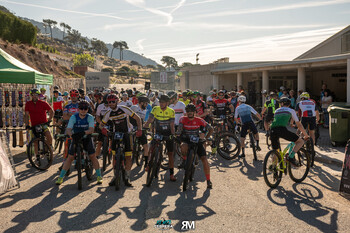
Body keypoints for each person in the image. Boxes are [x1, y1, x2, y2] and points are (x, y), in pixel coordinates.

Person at [55, 100, 102, 185]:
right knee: (70, 157)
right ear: (78, 109)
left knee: (92, 156)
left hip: (86, 137)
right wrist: (71, 135)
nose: (83, 110)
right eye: (81, 108)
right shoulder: (74, 117)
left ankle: (99, 176)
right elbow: (69, 129)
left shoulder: (90, 117)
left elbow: (91, 129)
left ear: (87, 109)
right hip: (76, 137)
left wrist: (83, 133)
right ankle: (60, 177)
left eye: (85, 108)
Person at [101, 94, 142, 187]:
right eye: (109, 102)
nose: (111, 103)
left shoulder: (123, 108)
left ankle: (127, 177)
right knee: (114, 156)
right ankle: (115, 176)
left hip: (127, 133)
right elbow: (101, 124)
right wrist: (103, 129)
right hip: (116, 133)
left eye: (113, 101)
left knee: (128, 156)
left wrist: (139, 129)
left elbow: (137, 118)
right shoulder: (108, 113)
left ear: (117, 101)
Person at [177, 103, 214, 189]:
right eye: (188, 111)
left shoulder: (199, 120)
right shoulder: (182, 119)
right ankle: (184, 159)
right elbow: (179, 130)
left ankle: (208, 180)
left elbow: (211, 129)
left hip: (197, 141)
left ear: (195, 112)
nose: (190, 113)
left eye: (192, 111)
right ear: (186, 112)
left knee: (204, 159)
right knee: (183, 146)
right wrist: (177, 136)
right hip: (186, 139)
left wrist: (206, 138)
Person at [144, 94, 177, 181]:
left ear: (167, 103)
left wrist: (173, 135)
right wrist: (146, 126)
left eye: (163, 102)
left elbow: (172, 125)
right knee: (151, 145)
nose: (161, 104)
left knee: (170, 154)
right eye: (160, 102)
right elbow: (150, 119)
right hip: (158, 132)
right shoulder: (155, 109)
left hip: (168, 133)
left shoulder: (171, 111)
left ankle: (171, 174)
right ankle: (148, 164)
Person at [270, 97, 309, 166]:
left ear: (281, 104)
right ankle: (290, 157)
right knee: (300, 141)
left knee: (276, 151)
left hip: (272, 130)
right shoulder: (291, 110)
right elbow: (299, 124)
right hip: (281, 129)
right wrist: (305, 134)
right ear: (289, 104)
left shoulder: (277, 111)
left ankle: (274, 168)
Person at [131, 95, 150, 168]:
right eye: (146, 103)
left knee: (146, 145)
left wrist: (146, 126)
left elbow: (142, 121)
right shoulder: (134, 108)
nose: (147, 105)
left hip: (140, 128)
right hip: (132, 128)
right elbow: (128, 117)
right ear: (141, 103)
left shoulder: (144, 111)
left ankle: (146, 163)